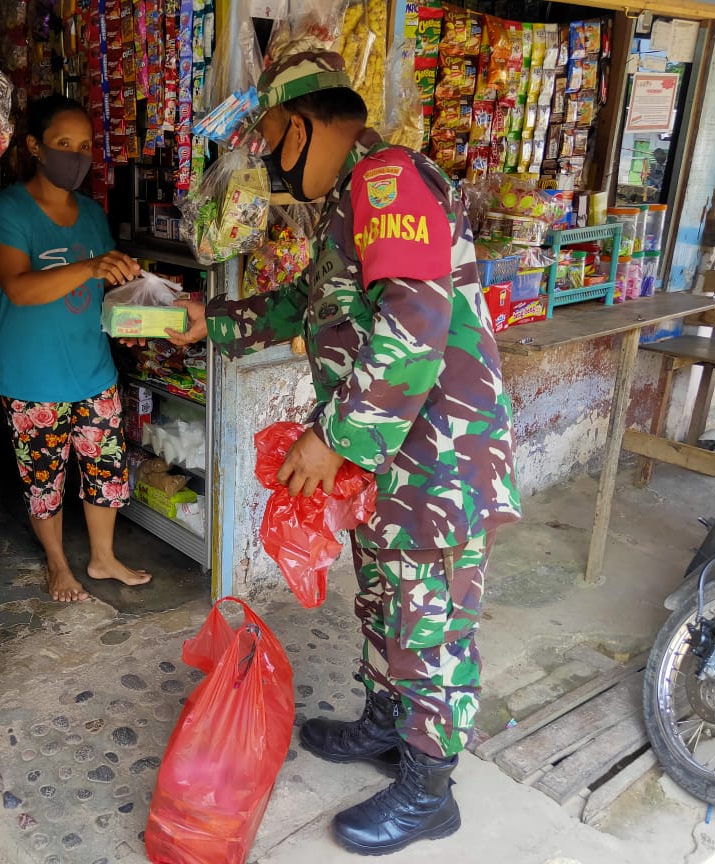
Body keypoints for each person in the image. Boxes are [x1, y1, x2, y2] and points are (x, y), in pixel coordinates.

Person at [169, 52, 522, 855]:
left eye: (266, 141)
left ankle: (431, 790)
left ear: (300, 124)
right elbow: (307, 304)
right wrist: (209, 319)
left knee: (428, 621)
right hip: (388, 463)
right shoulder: (345, 205)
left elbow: (413, 330)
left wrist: (334, 439)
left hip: (436, 460)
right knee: (386, 600)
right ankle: (387, 724)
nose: (265, 162)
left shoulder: (388, 180)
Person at [0, 94, 151, 603]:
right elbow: (19, 287)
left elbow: (102, 288)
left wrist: (138, 299)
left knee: (105, 473)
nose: (76, 156)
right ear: (34, 146)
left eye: (85, 146)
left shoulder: (93, 215)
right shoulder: (9, 211)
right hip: (33, 378)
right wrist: (92, 267)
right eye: (63, 144)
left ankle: (102, 558)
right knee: (43, 481)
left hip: (92, 370)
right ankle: (58, 564)